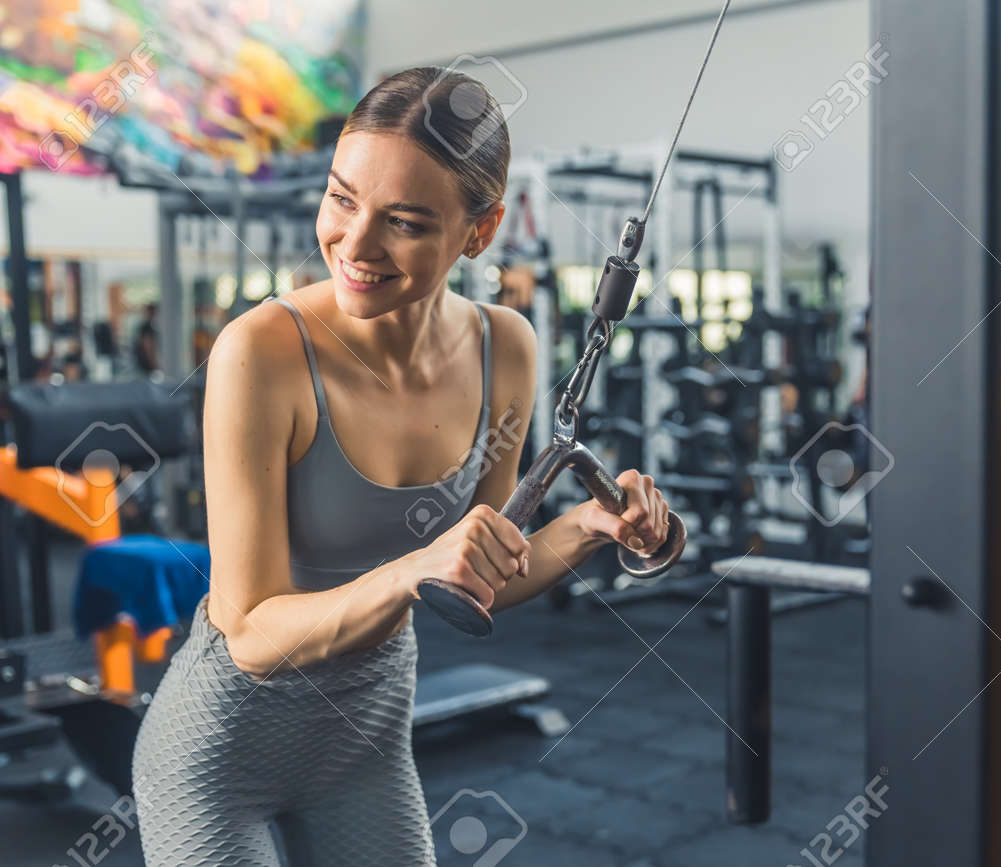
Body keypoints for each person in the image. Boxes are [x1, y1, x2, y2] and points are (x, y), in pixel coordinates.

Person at [131, 67, 673, 866]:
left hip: (364, 746)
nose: (354, 245)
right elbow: (247, 632)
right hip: (219, 751)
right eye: (341, 198)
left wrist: (590, 526)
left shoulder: (505, 348)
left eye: (406, 222)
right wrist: (408, 569)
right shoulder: (262, 352)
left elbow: (479, 570)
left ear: (478, 231)